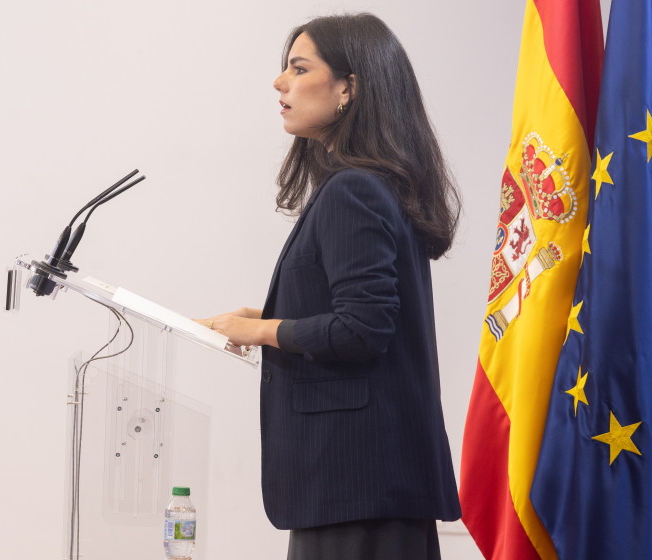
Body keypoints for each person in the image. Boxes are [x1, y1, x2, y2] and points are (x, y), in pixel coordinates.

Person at [197, 12, 462, 560]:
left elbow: (362, 329)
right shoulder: (376, 185)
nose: (279, 83)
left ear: (348, 89)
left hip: (357, 488)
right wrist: (262, 316)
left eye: (298, 68)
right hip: (370, 490)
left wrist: (264, 329)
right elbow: (358, 311)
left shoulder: (354, 191)